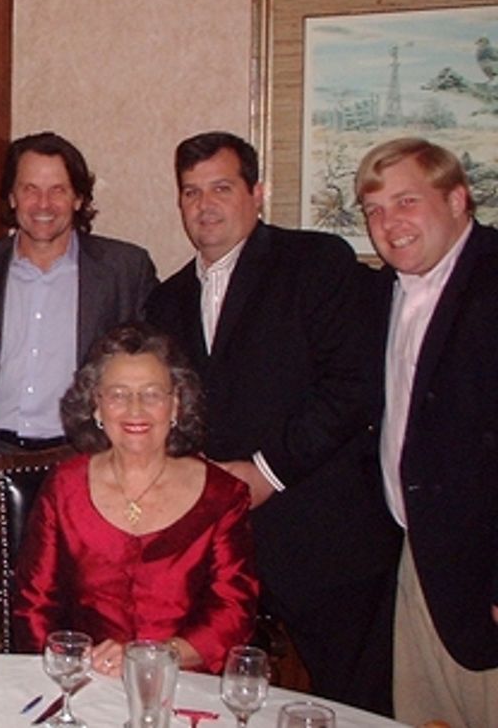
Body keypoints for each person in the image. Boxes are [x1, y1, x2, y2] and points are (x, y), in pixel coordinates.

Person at [146, 131, 400, 711]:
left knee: (357, 706)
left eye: (221, 187)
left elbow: (353, 389)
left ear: (257, 193)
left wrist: (265, 472)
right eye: (190, 192)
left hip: (323, 538)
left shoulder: (316, 262)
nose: (204, 205)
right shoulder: (165, 301)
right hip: (217, 554)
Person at [11, 322, 257, 675]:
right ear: (96, 406)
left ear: (176, 405)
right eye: (118, 394)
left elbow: (233, 613)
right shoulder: (64, 487)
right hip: (84, 683)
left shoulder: (223, 496)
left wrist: (155, 655)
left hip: (186, 688)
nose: (135, 409)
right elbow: (34, 605)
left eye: (152, 393)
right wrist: (72, 669)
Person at [356, 138, 498, 727]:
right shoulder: (389, 292)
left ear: (458, 199)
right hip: (419, 556)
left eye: (406, 201)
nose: (389, 223)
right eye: (374, 210)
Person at [0, 132, 156, 453]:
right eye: (30, 189)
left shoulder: (124, 271)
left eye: (57, 190)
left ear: (78, 198)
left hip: (87, 456)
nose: (43, 204)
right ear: (11, 197)